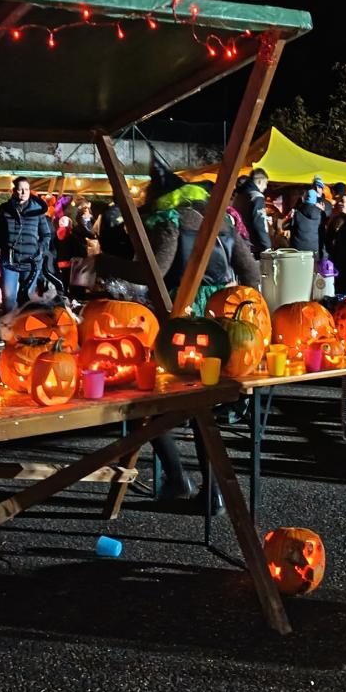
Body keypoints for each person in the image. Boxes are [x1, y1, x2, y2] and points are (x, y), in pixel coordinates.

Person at [97, 159, 260, 510]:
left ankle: (186, 481)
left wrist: (103, 262)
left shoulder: (169, 220)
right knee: (201, 406)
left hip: (181, 321)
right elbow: (251, 274)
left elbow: (154, 271)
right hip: (219, 321)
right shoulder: (221, 221)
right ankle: (204, 488)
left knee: (149, 398)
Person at [0, 177, 59, 313]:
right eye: (20, 189)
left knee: (27, 299)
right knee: (9, 298)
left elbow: (46, 234)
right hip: (9, 260)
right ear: (14, 190)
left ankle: (23, 325)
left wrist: (39, 250)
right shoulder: (5, 209)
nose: (23, 192)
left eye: (26, 189)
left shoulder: (37, 210)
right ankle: (8, 325)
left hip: (31, 261)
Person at [233, 167, 272, 257]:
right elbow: (259, 223)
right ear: (260, 181)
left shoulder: (239, 196)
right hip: (254, 245)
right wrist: (266, 246)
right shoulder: (257, 197)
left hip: (241, 241)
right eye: (266, 183)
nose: (265, 187)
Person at [289, 187, 325, 257]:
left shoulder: (296, 213)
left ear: (305, 198)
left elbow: (289, 227)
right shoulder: (320, 213)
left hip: (297, 249)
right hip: (314, 249)